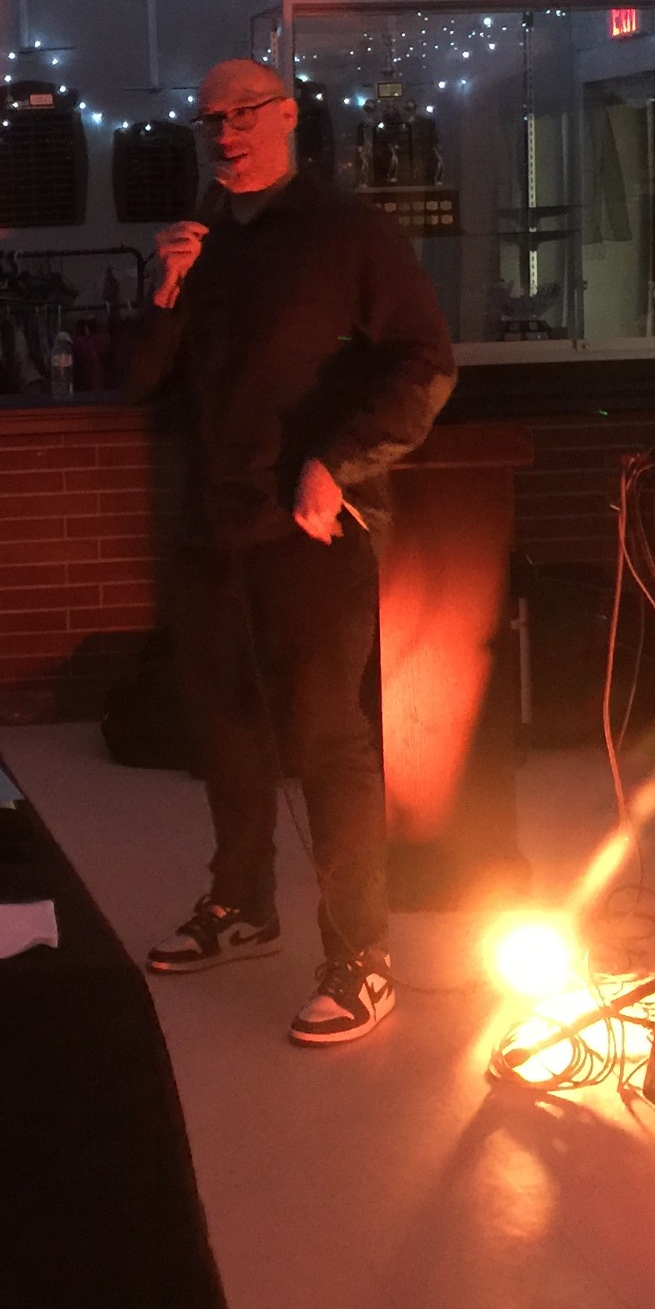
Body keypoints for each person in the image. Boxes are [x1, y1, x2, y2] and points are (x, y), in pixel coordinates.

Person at [128, 57, 455, 1047]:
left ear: (287, 117)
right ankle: (242, 906)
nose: (225, 133)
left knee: (324, 741)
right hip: (212, 525)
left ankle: (362, 958)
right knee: (226, 731)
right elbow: (144, 382)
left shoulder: (351, 231)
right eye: (210, 119)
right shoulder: (201, 239)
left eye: (243, 114)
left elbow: (425, 361)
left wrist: (338, 462)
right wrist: (166, 290)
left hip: (316, 526)